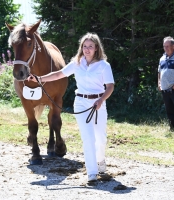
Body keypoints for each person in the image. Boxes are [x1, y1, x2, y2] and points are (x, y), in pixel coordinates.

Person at [27, 33, 114, 182]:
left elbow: (110, 86)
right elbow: (58, 74)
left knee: (101, 138)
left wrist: (101, 100)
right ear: (81, 48)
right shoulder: (76, 63)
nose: (87, 49)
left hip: (98, 103)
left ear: (96, 48)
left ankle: (100, 161)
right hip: (81, 102)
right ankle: (92, 173)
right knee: (88, 138)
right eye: (84, 46)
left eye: (90, 47)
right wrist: (39, 79)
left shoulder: (103, 65)